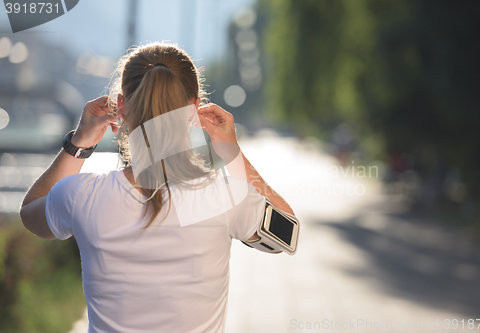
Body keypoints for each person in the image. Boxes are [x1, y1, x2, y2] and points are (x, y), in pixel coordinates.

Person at [19, 42, 295, 333]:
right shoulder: (224, 196)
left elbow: (30, 213)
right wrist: (231, 152)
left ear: (121, 107)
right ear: (194, 107)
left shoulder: (80, 195)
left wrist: (78, 144)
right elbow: (285, 235)